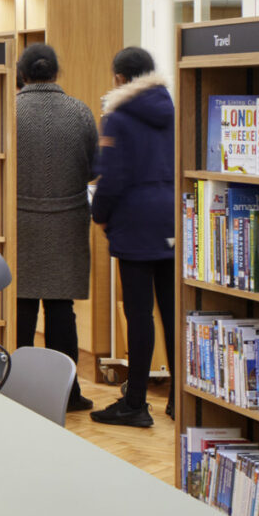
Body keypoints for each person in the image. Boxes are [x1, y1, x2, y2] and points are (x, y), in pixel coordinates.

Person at [90, 46, 176, 429]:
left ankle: (136, 402)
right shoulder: (174, 110)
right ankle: (181, 400)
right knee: (175, 315)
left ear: (120, 79)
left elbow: (112, 178)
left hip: (135, 224)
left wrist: (99, 215)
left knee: (139, 314)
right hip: (175, 221)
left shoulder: (119, 116)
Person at [11, 42, 98, 415]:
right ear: (56, 72)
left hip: (19, 222)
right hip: (66, 221)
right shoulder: (79, 112)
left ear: (22, 73)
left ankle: (14, 387)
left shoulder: (10, 110)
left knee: (21, 308)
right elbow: (94, 169)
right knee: (62, 311)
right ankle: (68, 392)